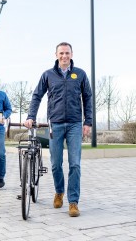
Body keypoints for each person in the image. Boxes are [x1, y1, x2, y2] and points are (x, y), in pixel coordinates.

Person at [24, 42, 92, 217]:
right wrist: (31, 116)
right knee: (55, 164)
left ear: (71, 54)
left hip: (75, 124)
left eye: (67, 53)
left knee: (75, 164)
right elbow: (37, 96)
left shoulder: (80, 74)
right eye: (61, 53)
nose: (64, 56)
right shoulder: (48, 75)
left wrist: (88, 122)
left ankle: (73, 202)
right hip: (55, 124)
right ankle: (59, 191)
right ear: (56, 54)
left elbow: (88, 98)